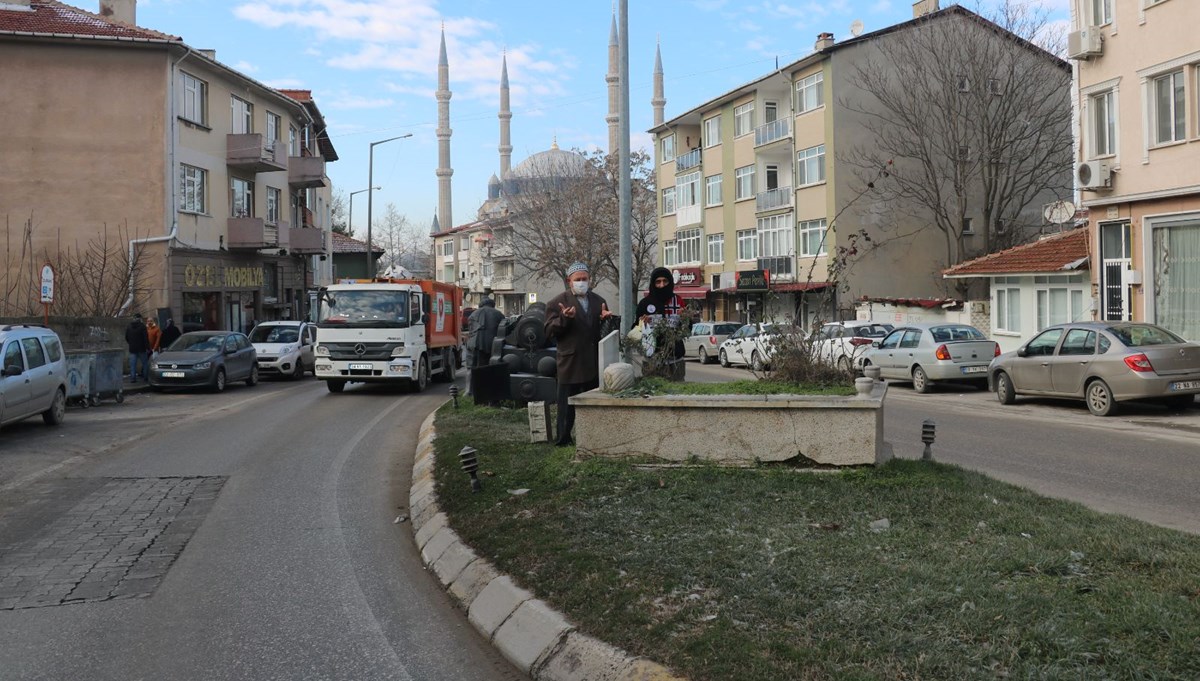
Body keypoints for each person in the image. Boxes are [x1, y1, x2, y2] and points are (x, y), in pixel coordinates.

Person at [545, 262, 611, 446]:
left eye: (585, 279)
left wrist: (607, 319)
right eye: (578, 279)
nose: (582, 282)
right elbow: (549, 331)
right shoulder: (557, 302)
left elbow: (605, 331)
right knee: (566, 407)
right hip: (570, 362)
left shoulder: (599, 301)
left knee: (592, 402)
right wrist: (564, 318)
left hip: (593, 361)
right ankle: (563, 439)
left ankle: (592, 438)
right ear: (569, 281)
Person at [636, 266, 688, 363]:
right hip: (652, 360)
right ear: (653, 283)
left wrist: (685, 318)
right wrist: (643, 324)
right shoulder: (645, 303)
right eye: (658, 282)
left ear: (670, 282)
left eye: (665, 281)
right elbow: (635, 330)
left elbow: (686, 330)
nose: (662, 285)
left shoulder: (678, 300)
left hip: (675, 359)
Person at [124, 313, 150, 382]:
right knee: (145, 363)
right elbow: (145, 338)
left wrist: (131, 343)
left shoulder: (129, 326)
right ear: (140, 319)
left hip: (132, 349)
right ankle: (145, 377)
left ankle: (133, 378)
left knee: (133, 365)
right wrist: (148, 348)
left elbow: (126, 337)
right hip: (142, 348)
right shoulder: (142, 326)